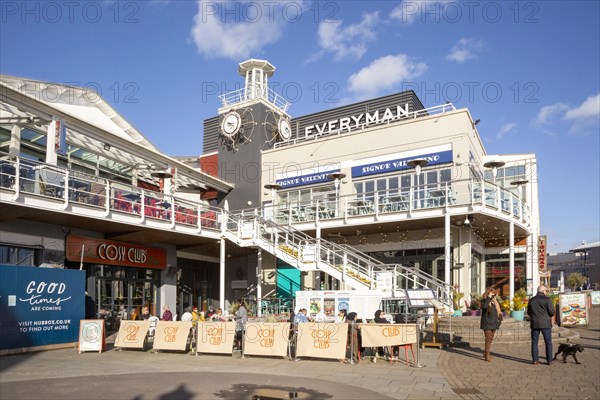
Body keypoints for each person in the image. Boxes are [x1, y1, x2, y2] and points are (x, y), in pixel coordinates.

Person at [527, 285, 555, 365]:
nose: (547, 292)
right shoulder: (547, 299)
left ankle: (535, 360)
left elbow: (529, 312)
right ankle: (549, 360)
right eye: (546, 291)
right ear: (544, 291)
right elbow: (551, 312)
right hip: (546, 324)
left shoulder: (531, 300)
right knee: (548, 342)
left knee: (534, 342)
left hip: (534, 323)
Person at [480, 287, 502, 362]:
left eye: (494, 293)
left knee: (490, 339)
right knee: (488, 339)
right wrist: (489, 297)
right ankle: (487, 355)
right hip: (487, 323)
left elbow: (498, 312)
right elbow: (485, 307)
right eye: (492, 293)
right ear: (488, 293)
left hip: (494, 323)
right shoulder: (484, 301)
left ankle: (485, 352)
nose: (493, 295)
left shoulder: (495, 302)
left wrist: (499, 321)